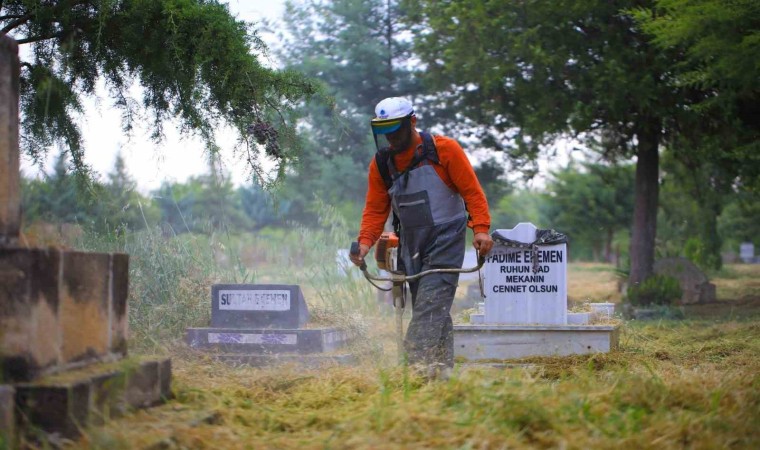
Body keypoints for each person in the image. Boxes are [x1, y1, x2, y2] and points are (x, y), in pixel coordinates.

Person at [349, 97, 493, 376]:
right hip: (410, 242)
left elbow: (472, 192)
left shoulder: (444, 150)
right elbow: (375, 209)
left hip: (446, 237)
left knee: (429, 305)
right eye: (384, 131)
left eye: (396, 129)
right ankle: (439, 375)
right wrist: (364, 244)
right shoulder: (382, 164)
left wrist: (481, 229)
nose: (390, 137)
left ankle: (411, 373)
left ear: (412, 122)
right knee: (432, 308)